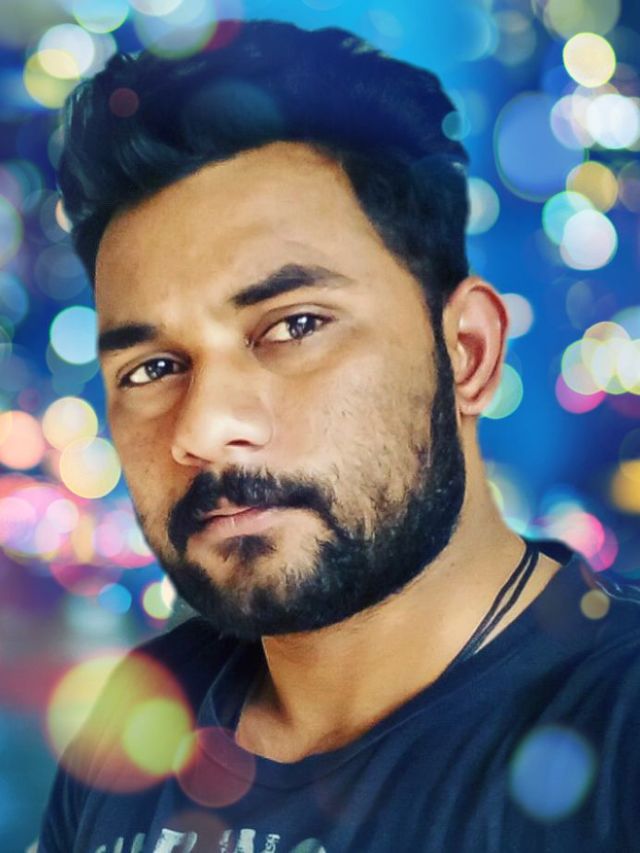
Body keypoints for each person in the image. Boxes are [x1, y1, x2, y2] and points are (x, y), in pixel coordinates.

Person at [38, 18, 640, 853]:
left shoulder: (618, 732)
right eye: (151, 368)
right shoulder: (143, 713)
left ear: (467, 352)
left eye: (294, 325)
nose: (204, 428)